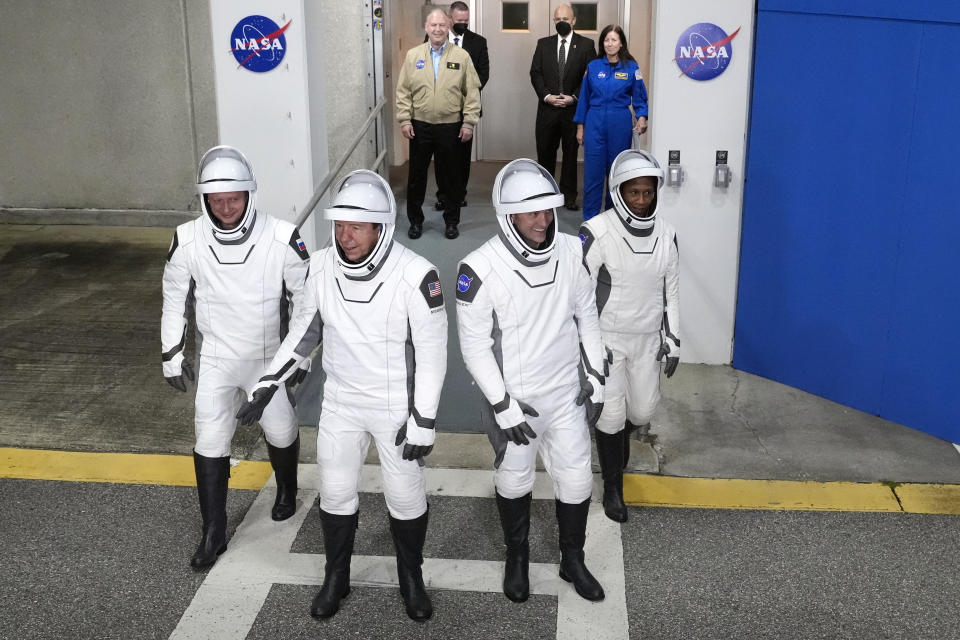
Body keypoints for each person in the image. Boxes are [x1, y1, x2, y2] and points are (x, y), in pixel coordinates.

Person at [236, 170, 447, 622]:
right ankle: (337, 576)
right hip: (342, 403)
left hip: (396, 407)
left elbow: (433, 355)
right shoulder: (321, 266)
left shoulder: (416, 275)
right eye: (339, 226)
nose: (344, 236)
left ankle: (411, 577)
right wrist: (268, 381)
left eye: (355, 227)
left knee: (405, 497)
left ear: (380, 227)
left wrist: (424, 419)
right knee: (334, 492)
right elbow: (303, 334)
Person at [456, 159, 608, 604]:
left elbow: (588, 318)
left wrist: (596, 376)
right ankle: (516, 556)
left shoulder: (571, 250)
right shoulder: (478, 267)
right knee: (515, 478)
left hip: (565, 393)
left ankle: (572, 559)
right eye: (531, 213)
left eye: (547, 211)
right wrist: (503, 406)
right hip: (515, 403)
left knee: (578, 479)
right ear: (508, 215)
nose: (542, 222)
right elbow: (474, 347)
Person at [161, 145, 310, 570]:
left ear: (249, 194)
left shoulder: (283, 236)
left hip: (269, 357)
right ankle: (214, 531)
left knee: (280, 430)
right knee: (209, 438)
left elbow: (306, 307)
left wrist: (295, 364)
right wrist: (172, 350)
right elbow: (174, 298)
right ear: (205, 199)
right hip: (217, 357)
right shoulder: (186, 238)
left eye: (234, 198)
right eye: (217, 200)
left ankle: (286, 489)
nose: (226, 208)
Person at [578, 149, 679, 522]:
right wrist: (587, 348)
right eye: (633, 192)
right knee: (610, 415)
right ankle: (613, 489)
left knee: (642, 410)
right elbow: (580, 296)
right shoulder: (596, 231)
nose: (641, 200)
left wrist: (675, 338)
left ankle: (617, 440)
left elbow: (673, 290)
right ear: (618, 192)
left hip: (647, 338)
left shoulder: (667, 234)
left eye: (647, 193)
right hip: (608, 339)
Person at [397, 7, 481, 240]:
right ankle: (415, 221)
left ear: (448, 27)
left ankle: (451, 221)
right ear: (426, 28)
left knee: (451, 177)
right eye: (433, 25)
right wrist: (404, 119)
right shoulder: (414, 56)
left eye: (442, 25)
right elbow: (403, 90)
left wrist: (468, 123)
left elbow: (472, 92)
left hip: (450, 126)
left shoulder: (461, 57)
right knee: (416, 177)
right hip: (420, 126)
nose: (437, 29)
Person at [574, 25, 649, 220]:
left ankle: (613, 219)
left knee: (616, 174)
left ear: (621, 43)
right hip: (594, 122)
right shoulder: (593, 67)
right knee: (593, 176)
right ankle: (590, 221)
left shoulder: (632, 68)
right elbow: (584, 99)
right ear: (602, 43)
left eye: (614, 40)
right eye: (606, 40)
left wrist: (642, 116)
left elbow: (640, 97)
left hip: (619, 123)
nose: (610, 44)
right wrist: (580, 127)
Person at [530, 4, 596, 211]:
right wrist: (547, 96)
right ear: (553, 21)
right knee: (545, 154)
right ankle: (546, 194)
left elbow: (590, 77)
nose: (562, 23)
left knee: (570, 155)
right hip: (547, 109)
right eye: (558, 19)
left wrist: (574, 97)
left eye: (565, 19)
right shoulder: (543, 44)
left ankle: (569, 196)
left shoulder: (586, 45)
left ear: (574, 21)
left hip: (572, 110)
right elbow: (536, 73)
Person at [433, 1, 489, 211]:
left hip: (466, 109)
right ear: (449, 19)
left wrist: (464, 93)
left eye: (466, 21)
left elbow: (484, 74)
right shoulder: (436, 39)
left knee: (462, 157)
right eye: (459, 21)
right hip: (439, 110)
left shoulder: (478, 42)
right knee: (441, 156)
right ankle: (443, 195)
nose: (463, 24)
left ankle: (459, 194)